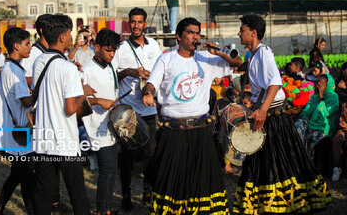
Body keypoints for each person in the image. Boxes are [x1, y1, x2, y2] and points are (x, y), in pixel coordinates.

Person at [142, 17, 242, 214]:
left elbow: (238, 63)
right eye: (190, 32)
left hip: (200, 130)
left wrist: (218, 52)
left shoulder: (207, 58)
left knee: (202, 179)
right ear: (179, 36)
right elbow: (151, 83)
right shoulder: (166, 59)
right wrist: (147, 92)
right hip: (172, 131)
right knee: (172, 178)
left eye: (198, 32)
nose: (195, 36)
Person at [233, 14, 331, 214]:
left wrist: (261, 110)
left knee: (278, 163)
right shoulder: (253, 55)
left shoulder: (264, 52)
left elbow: (275, 82)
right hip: (266, 114)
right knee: (267, 163)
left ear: (253, 33)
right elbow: (262, 86)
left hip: (274, 117)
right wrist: (254, 106)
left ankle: (285, 204)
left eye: (242, 30)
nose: (238, 33)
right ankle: (270, 204)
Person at [32, 14, 95, 215]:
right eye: (69, 34)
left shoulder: (39, 61)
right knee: (78, 195)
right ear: (62, 37)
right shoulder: (68, 68)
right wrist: (83, 92)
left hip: (43, 142)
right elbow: (70, 109)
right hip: (66, 143)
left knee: (45, 195)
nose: (71, 38)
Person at [114, 7, 162, 211]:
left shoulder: (154, 45)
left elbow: (162, 70)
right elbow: (113, 77)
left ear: (144, 23)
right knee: (126, 156)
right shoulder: (121, 48)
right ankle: (125, 195)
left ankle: (148, 192)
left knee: (150, 155)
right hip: (128, 112)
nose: (136, 26)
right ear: (128, 23)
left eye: (140, 22)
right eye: (133, 22)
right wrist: (130, 71)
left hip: (149, 110)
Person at [0, 27, 35, 215]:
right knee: (27, 180)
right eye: (27, 43)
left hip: (16, 130)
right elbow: (26, 101)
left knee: (17, 176)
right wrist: (45, 93)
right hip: (19, 133)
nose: (30, 47)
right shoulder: (13, 71)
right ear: (16, 46)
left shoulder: (12, 68)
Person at [81, 28, 121, 215]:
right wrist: (98, 101)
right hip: (97, 127)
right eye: (108, 50)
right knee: (106, 170)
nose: (112, 54)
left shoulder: (110, 65)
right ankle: (100, 210)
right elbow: (77, 102)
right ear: (97, 47)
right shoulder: (87, 70)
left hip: (113, 126)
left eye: (114, 50)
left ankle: (108, 209)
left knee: (112, 170)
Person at [295, 74, 339, 160]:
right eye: (318, 82)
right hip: (312, 123)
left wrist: (321, 97)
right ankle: (301, 156)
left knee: (316, 136)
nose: (318, 85)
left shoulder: (333, 98)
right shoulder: (315, 96)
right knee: (298, 124)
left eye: (321, 83)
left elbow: (324, 113)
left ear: (328, 85)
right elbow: (307, 111)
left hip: (324, 126)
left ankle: (309, 162)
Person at [21, 14, 51, 87]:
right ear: (42, 31)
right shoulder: (32, 53)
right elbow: (23, 79)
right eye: (53, 28)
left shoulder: (51, 52)